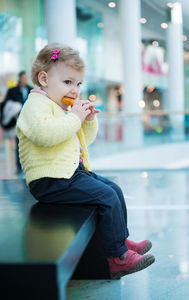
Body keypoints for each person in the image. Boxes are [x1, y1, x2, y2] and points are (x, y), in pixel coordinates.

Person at [16, 43, 155, 279]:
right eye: (68, 82)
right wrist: (74, 117)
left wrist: (87, 120)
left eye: (78, 84)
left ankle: (120, 241)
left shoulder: (60, 107)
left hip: (70, 173)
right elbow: (45, 135)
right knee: (106, 197)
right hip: (50, 180)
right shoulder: (36, 105)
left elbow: (82, 140)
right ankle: (117, 258)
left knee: (114, 189)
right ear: (44, 79)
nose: (75, 89)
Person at [1, 71, 32, 174]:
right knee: (19, 145)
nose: (25, 80)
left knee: (30, 145)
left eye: (26, 78)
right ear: (19, 78)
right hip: (17, 122)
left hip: (30, 122)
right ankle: (19, 167)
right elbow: (6, 105)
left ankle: (29, 166)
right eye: (23, 78)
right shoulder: (12, 91)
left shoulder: (31, 90)